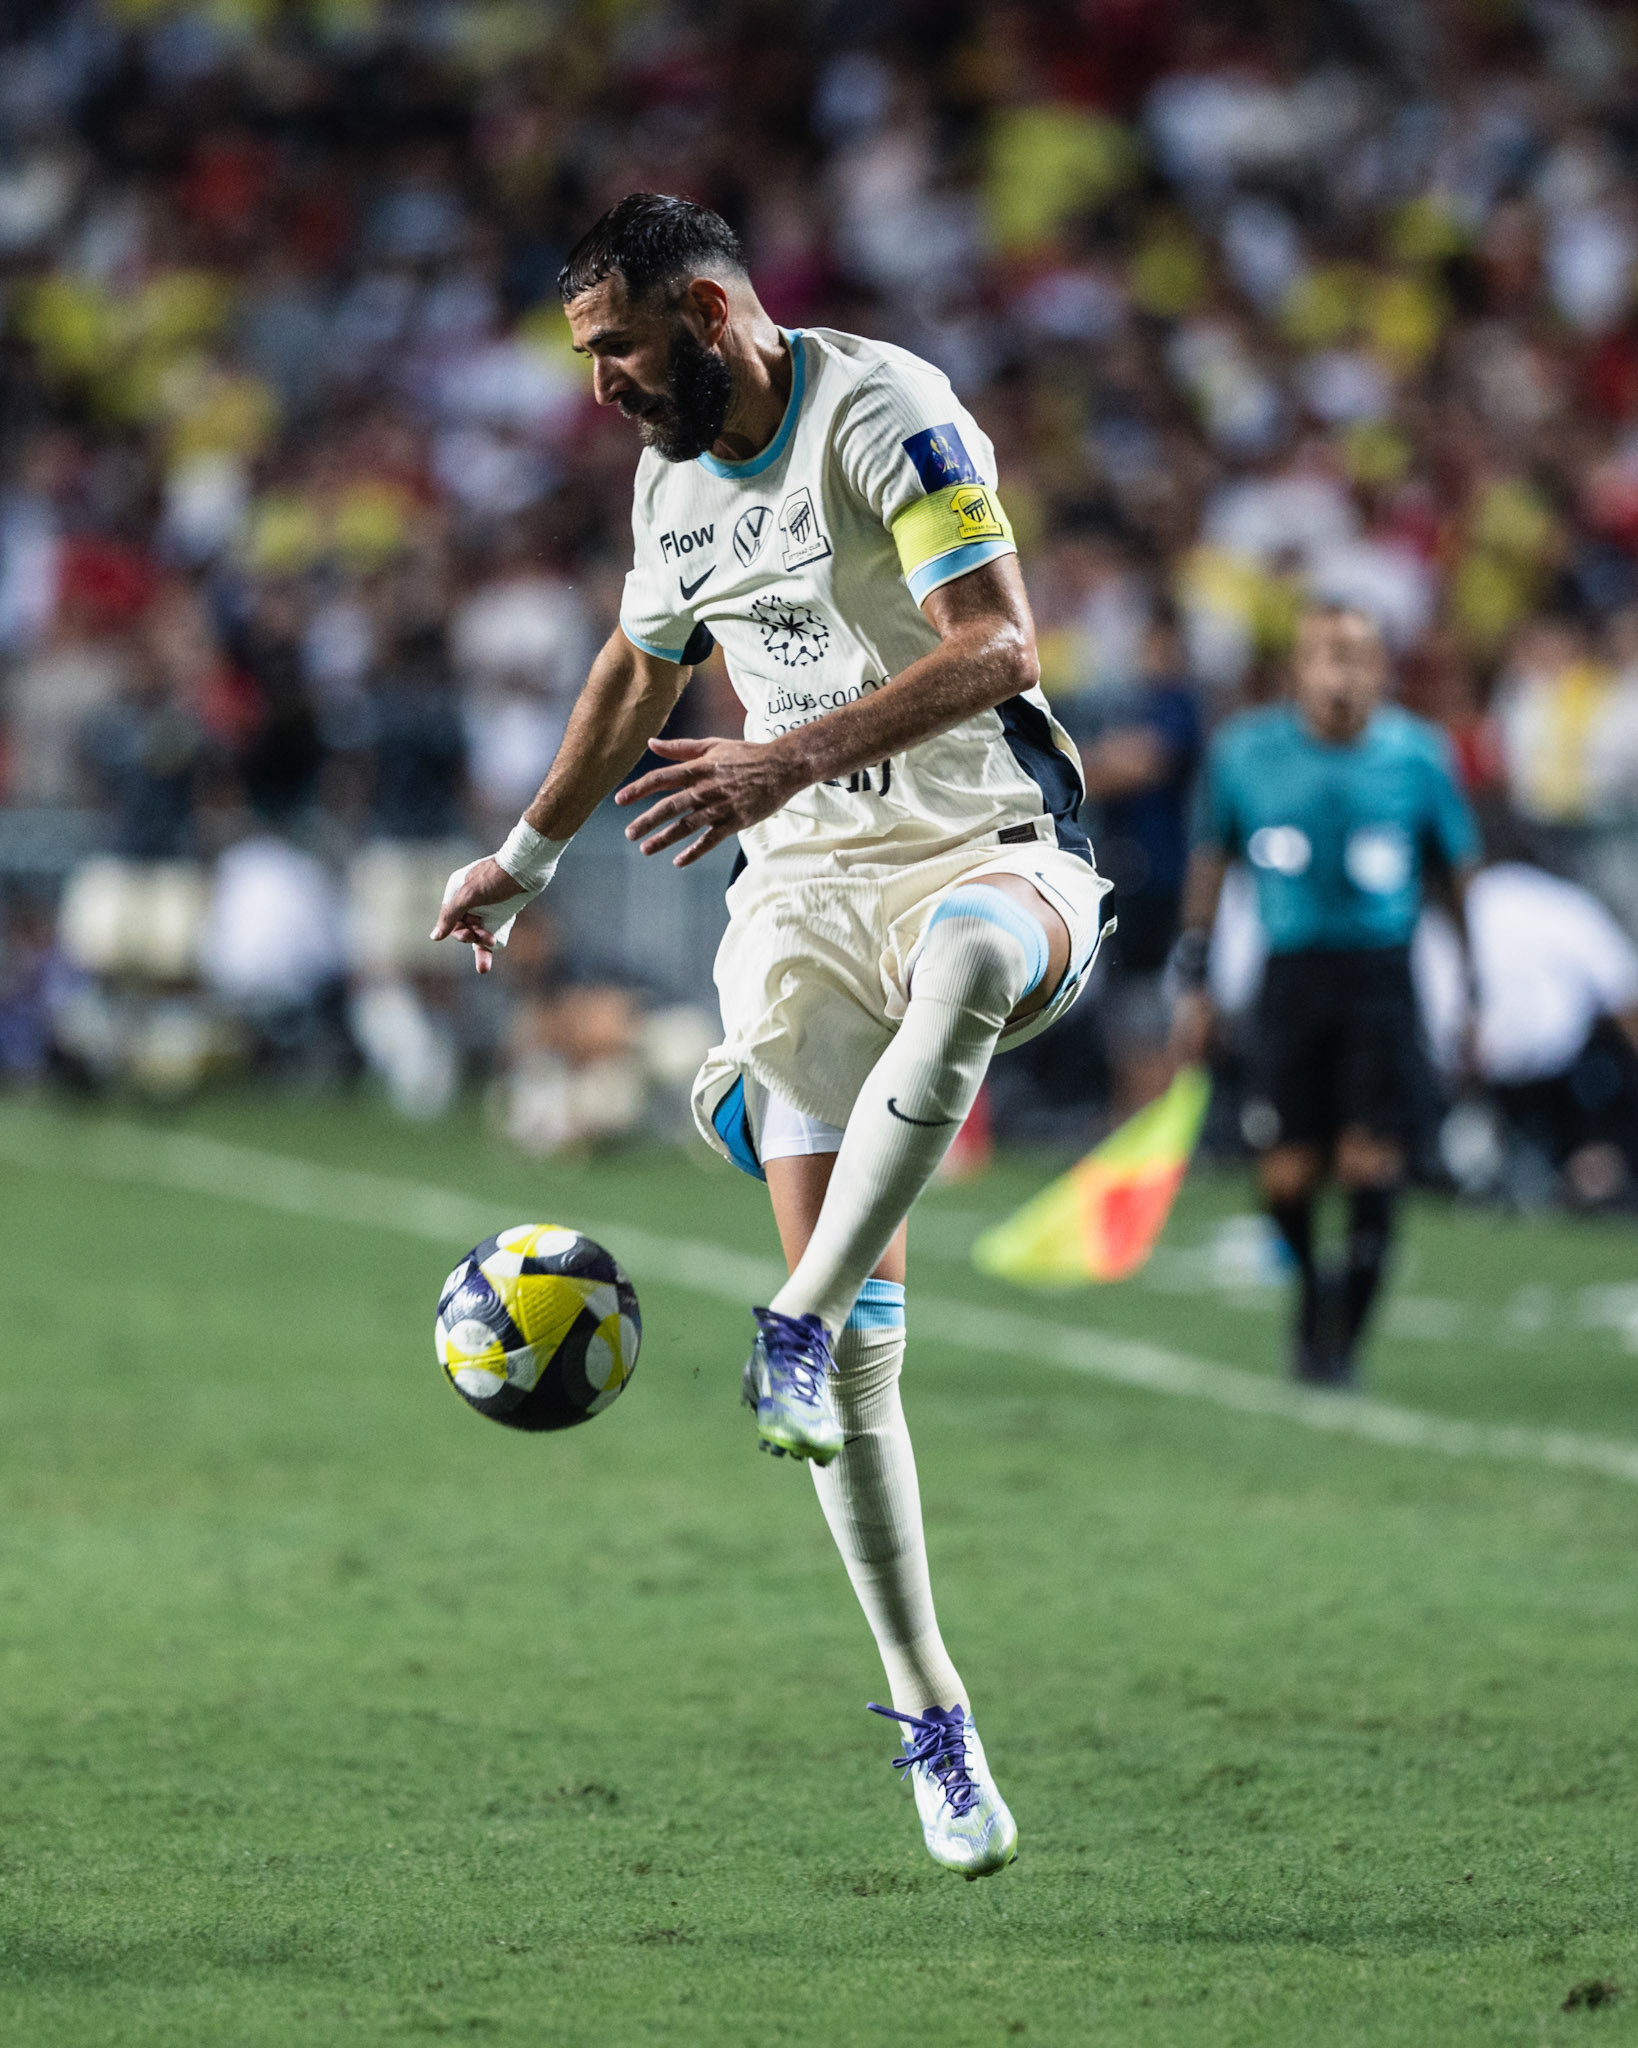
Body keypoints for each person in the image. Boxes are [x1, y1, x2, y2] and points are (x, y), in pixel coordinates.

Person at [434, 192, 1110, 1878]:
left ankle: (785, 1321)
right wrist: (521, 857)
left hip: (985, 843)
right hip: (798, 888)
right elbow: (633, 669)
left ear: (715, 318)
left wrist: (788, 752)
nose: (597, 386)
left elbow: (1002, 643)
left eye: (616, 348)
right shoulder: (668, 489)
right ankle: (930, 1709)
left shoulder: (888, 409)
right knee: (872, 1356)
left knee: (961, 960)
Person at [1170, 603, 1480, 1387]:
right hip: (1290, 976)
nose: (1341, 673)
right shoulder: (1245, 753)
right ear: (1297, 671)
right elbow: (1213, 863)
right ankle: (1314, 1291)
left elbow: (1455, 871)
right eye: (1324, 656)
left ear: (1382, 671)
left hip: (1381, 974)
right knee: (1286, 1173)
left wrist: (1475, 985)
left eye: (1357, 656)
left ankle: (1341, 1346)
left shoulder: (1419, 755)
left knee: (1372, 1164)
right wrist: (1197, 980)